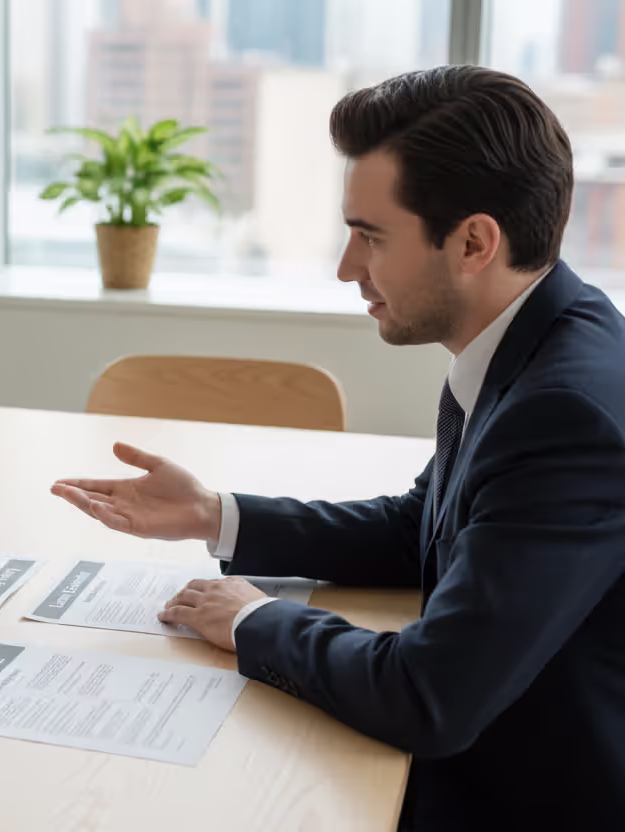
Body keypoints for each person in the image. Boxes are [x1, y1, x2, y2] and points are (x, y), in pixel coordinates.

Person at [52, 66, 625, 830]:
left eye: (370, 236)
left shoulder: (564, 410)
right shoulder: (532, 340)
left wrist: (254, 620)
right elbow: (422, 527)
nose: (346, 267)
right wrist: (214, 515)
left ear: (474, 243)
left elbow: (429, 696)